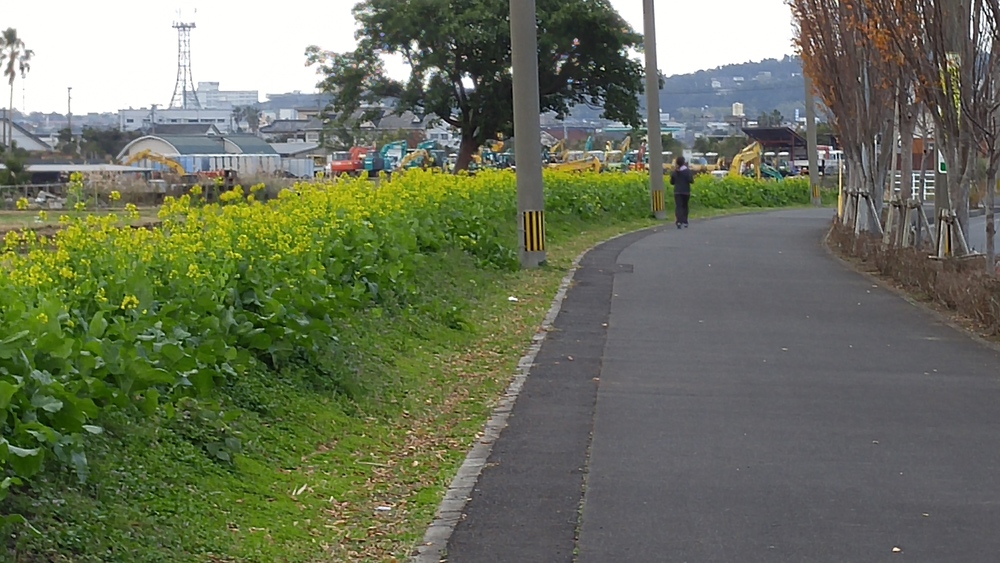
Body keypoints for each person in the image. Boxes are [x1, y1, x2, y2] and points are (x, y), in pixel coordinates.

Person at [669, 155, 694, 229]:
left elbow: (672, 182)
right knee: (685, 206)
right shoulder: (687, 171)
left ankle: (679, 221)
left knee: (678, 206)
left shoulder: (675, 172)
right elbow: (691, 181)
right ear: (684, 162)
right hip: (686, 191)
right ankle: (685, 221)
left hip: (677, 191)